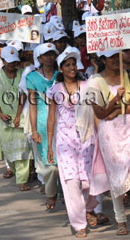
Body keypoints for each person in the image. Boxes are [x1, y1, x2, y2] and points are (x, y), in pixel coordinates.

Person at [86, 50, 130, 238]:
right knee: (117, 178)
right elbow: (101, 114)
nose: (115, 60)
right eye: (110, 57)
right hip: (110, 135)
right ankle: (121, 221)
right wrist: (114, 100)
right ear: (103, 59)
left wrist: (119, 110)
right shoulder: (94, 81)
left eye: (117, 56)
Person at [46, 49, 98, 238]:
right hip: (65, 141)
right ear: (61, 68)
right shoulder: (55, 90)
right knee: (71, 182)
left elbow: (95, 111)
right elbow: (51, 118)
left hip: (86, 139)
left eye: (74, 64)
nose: (72, 68)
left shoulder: (87, 86)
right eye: (67, 65)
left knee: (89, 181)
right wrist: (49, 144)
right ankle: (79, 224)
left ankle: (90, 208)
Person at [0, 46, 31, 191]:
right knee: (9, 151)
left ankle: (22, 180)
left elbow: (24, 94)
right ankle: (17, 173)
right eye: (9, 62)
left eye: (14, 62)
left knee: (22, 150)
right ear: (3, 61)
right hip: (4, 119)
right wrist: (1, 114)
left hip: (21, 118)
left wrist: (19, 114)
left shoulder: (22, 74)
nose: (12, 65)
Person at [26, 43, 59, 210]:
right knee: (50, 165)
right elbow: (32, 105)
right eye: (45, 55)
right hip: (42, 124)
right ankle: (51, 194)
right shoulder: (32, 78)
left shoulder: (61, 75)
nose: (49, 57)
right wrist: (34, 130)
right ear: (39, 58)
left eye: (52, 54)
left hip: (62, 122)